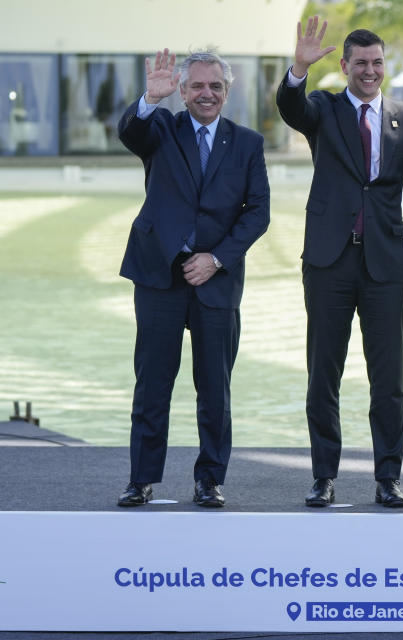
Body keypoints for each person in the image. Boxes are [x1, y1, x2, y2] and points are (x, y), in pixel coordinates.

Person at [276, 17, 403, 508]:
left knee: (387, 377)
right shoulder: (323, 110)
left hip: (387, 264)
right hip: (328, 262)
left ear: (385, 66)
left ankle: (388, 476)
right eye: (360, 63)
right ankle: (324, 475)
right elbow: (289, 107)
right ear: (344, 66)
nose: (369, 71)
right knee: (323, 372)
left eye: (377, 63)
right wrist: (299, 68)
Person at [116, 48, 270, 508]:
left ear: (227, 92)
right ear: (182, 91)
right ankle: (141, 479)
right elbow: (130, 132)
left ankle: (209, 479)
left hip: (216, 279)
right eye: (197, 86)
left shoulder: (247, 143)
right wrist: (149, 98)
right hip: (160, 275)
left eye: (215, 86)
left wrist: (217, 259)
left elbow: (257, 213)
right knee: (152, 383)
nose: (207, 94)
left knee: (215, 386)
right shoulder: (161, 128)